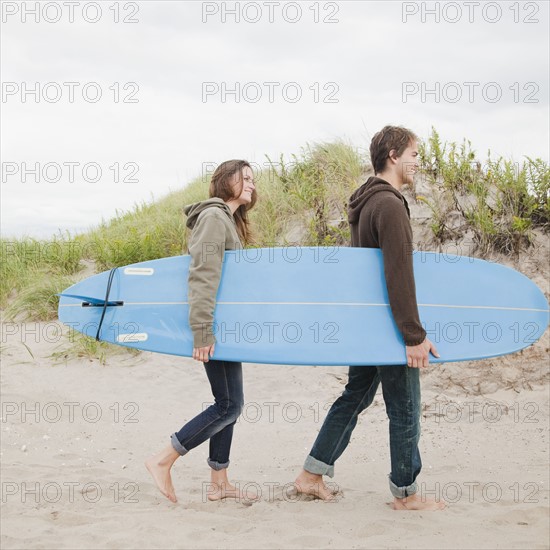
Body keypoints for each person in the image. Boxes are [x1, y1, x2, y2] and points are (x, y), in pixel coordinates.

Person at [294, 126, 445, 511]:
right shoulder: (390, 206)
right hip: (389, 328)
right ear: (393, 155)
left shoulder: (365, 203)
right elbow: (397, 272)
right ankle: (406, 495)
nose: (417, 162)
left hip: (367, 324)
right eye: (413, 153)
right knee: (405, 407)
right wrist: (412, 335)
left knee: (354, 396)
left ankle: (311, 474)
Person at [146, 160, 257, 503]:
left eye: (254, 179)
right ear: (227, 181)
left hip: (226, 326)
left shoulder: (227, 219)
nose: (253, 184)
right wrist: (202, 330)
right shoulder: (213, 218)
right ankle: (163, 459)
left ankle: (219, 482)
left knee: (231, 403)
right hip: (213, 326)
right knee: (228, 405)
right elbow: (202, 275)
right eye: (246, 178)